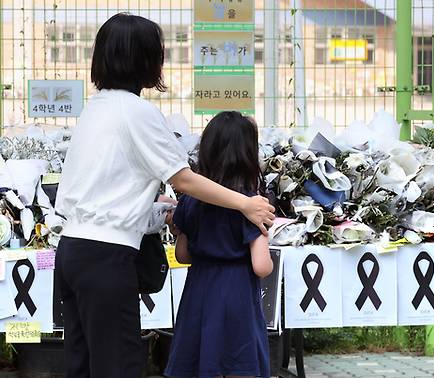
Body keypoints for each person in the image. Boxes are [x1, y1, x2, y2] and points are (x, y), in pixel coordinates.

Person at [54, 14, 275, 378]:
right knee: (118, 366)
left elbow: (106, 188)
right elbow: (185, 180)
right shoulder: (137, 112)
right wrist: (245, 203)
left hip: (73, 250)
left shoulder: (95, 108)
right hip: (106, 258)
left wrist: (150, 209)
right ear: (144, 59)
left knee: (83, 365)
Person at [165, 111, 273, 378]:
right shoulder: (251, 204)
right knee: (238, 363)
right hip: (237, 295)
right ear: (248, 153)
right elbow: (261, 266)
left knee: (201, 361)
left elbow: (182, 254)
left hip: (199, 292)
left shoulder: (191, 201)